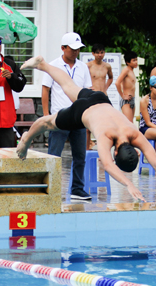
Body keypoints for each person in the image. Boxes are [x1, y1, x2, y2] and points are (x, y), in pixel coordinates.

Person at [17, 56, 156, 205]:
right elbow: (108, 165)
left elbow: (154, 160)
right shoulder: (107, 136)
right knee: (47, 122)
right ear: (115, 153)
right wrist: (129, 184)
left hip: (101, 99)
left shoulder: (134, 133)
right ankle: (26, 139)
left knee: (68, 85)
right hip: (83, 111)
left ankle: (43, 64)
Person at [42, 32, 92, 201]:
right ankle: (50, 188)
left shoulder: (83, 67)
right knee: (54, 155)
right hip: (59, 117)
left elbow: (87, 91)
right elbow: (45, 89)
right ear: (63, 48)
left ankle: (77, 189)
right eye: (72, 49)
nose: (76, 52)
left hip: (78, 117)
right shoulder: (53, 66)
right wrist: (46, 115)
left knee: (80, 155)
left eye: (78, 49)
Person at [86, 43, 113, 149]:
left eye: (102, 52)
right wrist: (87, 88)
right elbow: (82, 78)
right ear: (93, 53)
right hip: (92, 96)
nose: (100, 55)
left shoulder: (107, 66)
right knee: (88, 126)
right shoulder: (88, 66)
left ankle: (104, 149)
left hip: (103, 97)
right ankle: (87, 148)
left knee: (105, 124)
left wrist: (105, 88)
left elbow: (110, 78)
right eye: (97, 53)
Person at [115, 51, 138, 122]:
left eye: (136, 60)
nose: (136, 62)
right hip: (126, 100)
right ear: (128, 62)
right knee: (129, 123)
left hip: (132, 99)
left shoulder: (132, 71)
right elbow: (117, 83)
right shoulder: (126, 70)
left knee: (131, 123)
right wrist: (122, 95)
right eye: (133, 60)